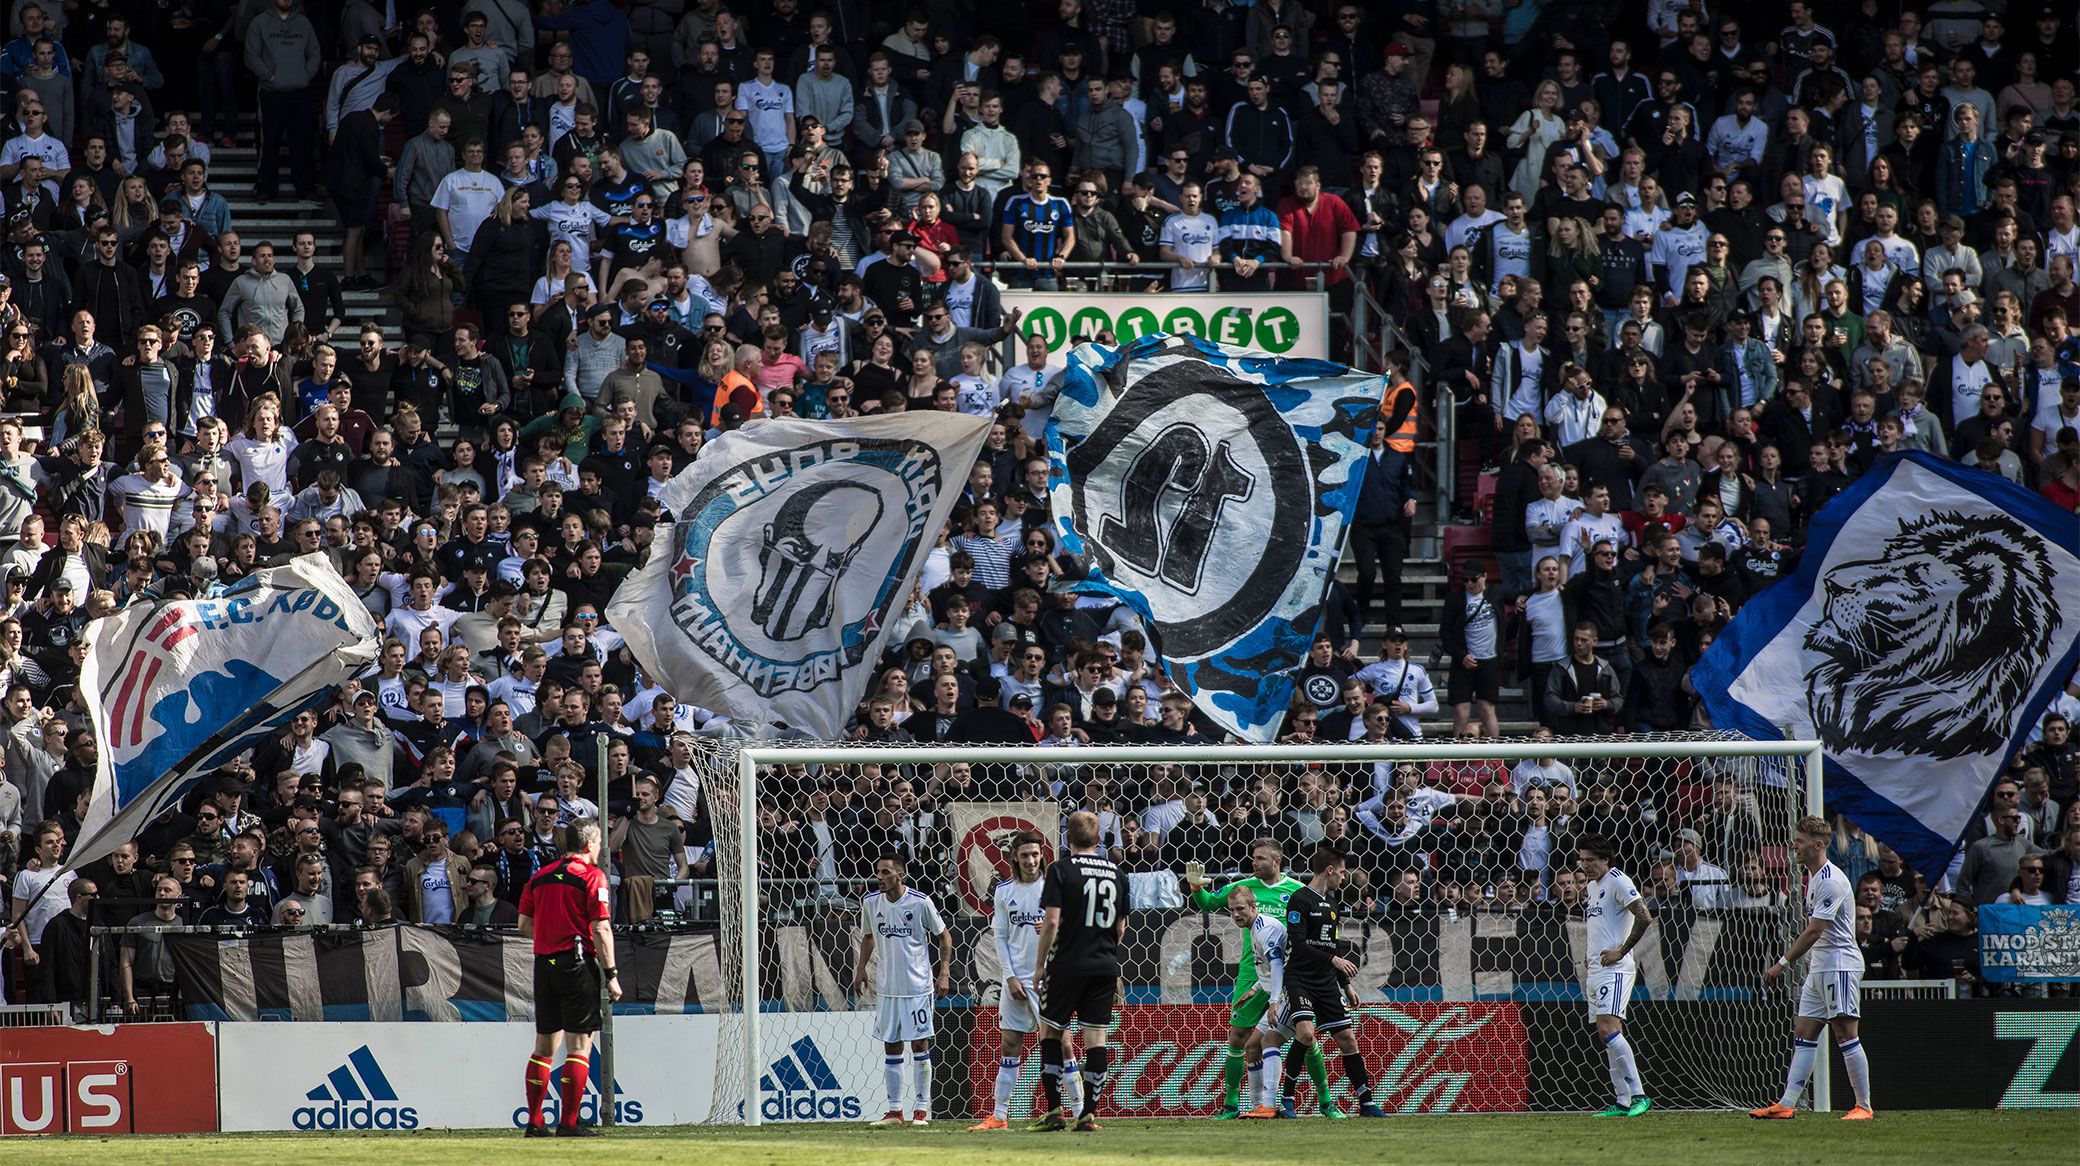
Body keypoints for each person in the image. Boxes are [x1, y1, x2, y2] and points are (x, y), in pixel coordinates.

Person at [1180, 836, 1323, 1118]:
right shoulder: (1242, 889)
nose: (1254, 863)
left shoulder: (1297, 891)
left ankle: (1326, 1101)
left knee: (1306, 1037)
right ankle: (1233, 1104)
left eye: (1260, 858)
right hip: (1252, 972)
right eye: (1253, 858)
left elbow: (1314, 928)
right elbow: (1208, 903)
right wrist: (1195, 886)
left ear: (1277, 861)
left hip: (1292, 974)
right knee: (1238, 1037)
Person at [1752, 816, 1876, 1121]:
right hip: (1821, 965)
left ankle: (1864, 1106)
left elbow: (1814, 931)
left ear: (1818, 845)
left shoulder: (1831, 880)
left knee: (1845, 1033)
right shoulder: (1815, 878)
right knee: (1804, 1032)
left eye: (1800, 841)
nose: (1794, 846)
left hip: (1839, 964)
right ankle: (1787, 1103)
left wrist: (1781, 963)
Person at [517, 816, 620, 1137]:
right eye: (600, 842)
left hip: (543, 965)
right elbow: (601, 928)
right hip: (576, 965)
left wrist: (552, 935)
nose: (601, 847)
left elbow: (523, 925)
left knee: (544, 1047)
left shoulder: (541, 876)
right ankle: (569, 1123)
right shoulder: (592, 877)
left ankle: (535, 1121)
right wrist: (611, 975)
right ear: (589, 844)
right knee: (579, 1047)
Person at [970, 830, 1080, 1130]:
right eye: (1024, 855)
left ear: (1042, 856)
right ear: (1014, 859)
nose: (1031, 860)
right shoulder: (1004, 892)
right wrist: (1009, 977)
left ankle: (1082, 1113)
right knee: (1009, 1044)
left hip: (1049, 979)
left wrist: (1056, 929)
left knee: (1064, 1045)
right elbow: (1001, 937)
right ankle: (1000, 1117)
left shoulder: (1055, 888)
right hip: (1016, 980)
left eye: (1035, 854)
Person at [1027, 809, 1129, 1132]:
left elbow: (1052, 922)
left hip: (1067, 964)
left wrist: (1039, 965)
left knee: (1051, 1032)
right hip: (1103, 967)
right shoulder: (1117, 873)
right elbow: (1121, 928)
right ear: (1098, 839)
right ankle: (1088, 1114)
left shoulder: (1060, 869)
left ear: (1067, 838)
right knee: (1096, 1039)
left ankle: (1055, 1111)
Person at [1274, 847, 1385, 1118]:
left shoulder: (1332, 903)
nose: (1345, 877)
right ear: (1330, 869)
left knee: (1347, 1038)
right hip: (1299, 977)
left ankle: (1367, 1103)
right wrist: (1334, 961)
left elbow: (1331, 945)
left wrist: (1345, 984)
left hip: (1326, 980)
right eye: (1343, 871)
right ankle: (1287, 1098)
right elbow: (1298, 944)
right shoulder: (1300, 899)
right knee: (1306, 1034)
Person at [854, 851, 951, 1126]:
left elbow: (945, 936)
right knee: (891, 1044)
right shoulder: (871, 902)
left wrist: (943, 973)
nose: (880, 878)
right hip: (887, 988)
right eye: (878, 872)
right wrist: (861, 968)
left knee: (919, 1044)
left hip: (918, 986)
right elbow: (869, 936)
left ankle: (921, 1111)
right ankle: (895, 1111)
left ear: (900, 874)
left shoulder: (920, 903)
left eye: (886, 872)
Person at [1579, 834, 1653, 1117]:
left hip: (1616, 968)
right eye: (1582, 860)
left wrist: (1621, 951)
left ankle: (1639, 1096)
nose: (1585, 865)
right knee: (1606, 1033)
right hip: (1597, 969)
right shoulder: (1592, 885)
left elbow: (1645, 916)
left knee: (1609, 1029)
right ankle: (1622, 1101)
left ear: (1605, 860)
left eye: (1591, 860)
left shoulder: (1618, 881)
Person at [1223, 884, 1290, 1119]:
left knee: (1269, 1042)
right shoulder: (1255, 928)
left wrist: (1274, 1001)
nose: (1236, 915)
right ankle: (1259, 1106)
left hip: (1289, 994)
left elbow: (1277, 965)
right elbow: (1267, 970)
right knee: (1252, 1046)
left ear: (1254, 906)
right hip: (1281, 992)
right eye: (1231, 910)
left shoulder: (1265, 930)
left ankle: (1271, 1104)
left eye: (1240, 908)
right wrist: (1253, 989)